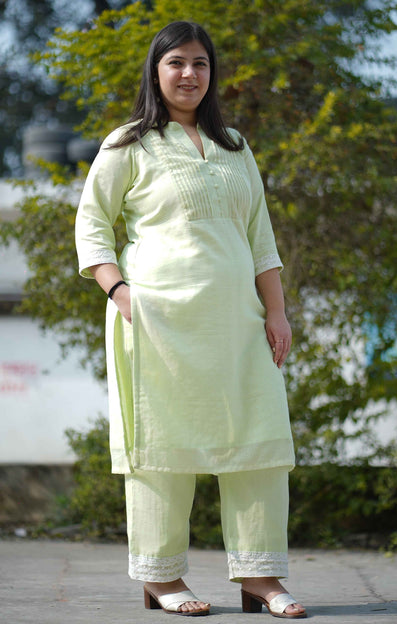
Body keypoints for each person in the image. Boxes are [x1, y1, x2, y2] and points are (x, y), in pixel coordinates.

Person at [75, 20, 306, 619]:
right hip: (158, 320)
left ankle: (260, 575)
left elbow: (259, 236)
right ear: (156, 72)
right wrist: (120, 291)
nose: (189, 74)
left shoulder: (234, 144)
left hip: (239, 322)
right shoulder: (128, 143)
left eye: (200, 63)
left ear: (212, 74)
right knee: (162, 444)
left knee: (259, 441)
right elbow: (92, 224)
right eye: (176, 62)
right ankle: (162, 576)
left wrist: (276, 311)